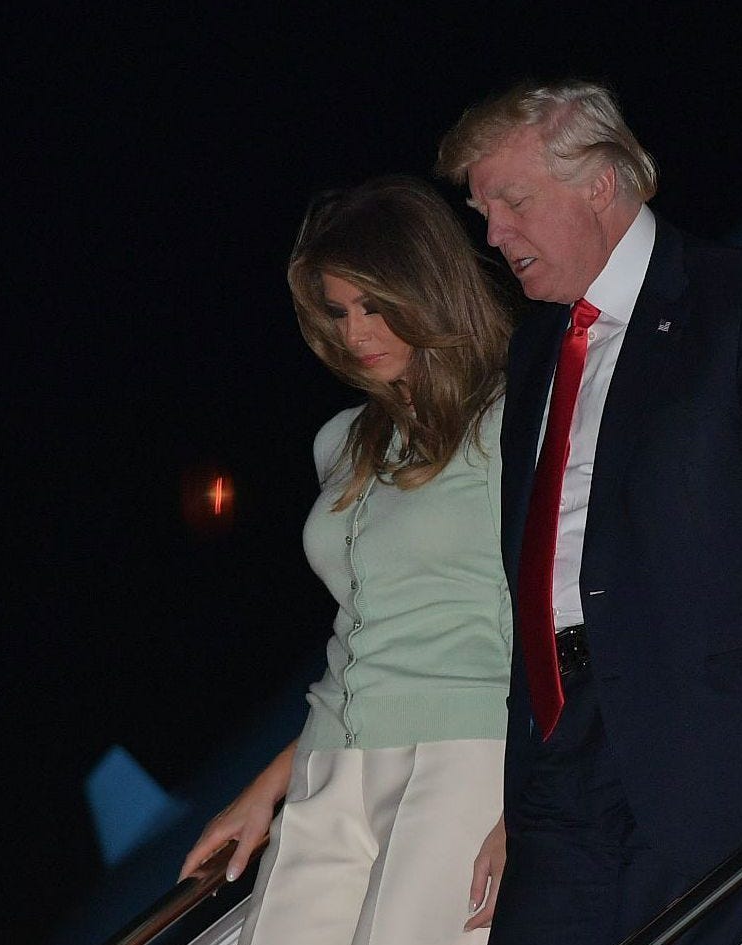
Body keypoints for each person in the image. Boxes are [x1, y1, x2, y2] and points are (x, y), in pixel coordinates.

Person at [436, 81, 742, 945]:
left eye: (512, 203)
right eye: (483, 214)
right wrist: (525, 786)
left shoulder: (740, 300)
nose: (495, 236)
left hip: (713, 741)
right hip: (563, 760)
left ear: (600, 182)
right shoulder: (537, 347)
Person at [180, 176, 513, 945]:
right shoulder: (342, 441)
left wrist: (533, 795)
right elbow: (367, 637)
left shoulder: (511, 417)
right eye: (338, 310)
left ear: (426, 288)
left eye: (374, 304)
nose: (356, 332)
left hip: (464, 756)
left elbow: (553, 613)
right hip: (330, 764)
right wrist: (266, 787)